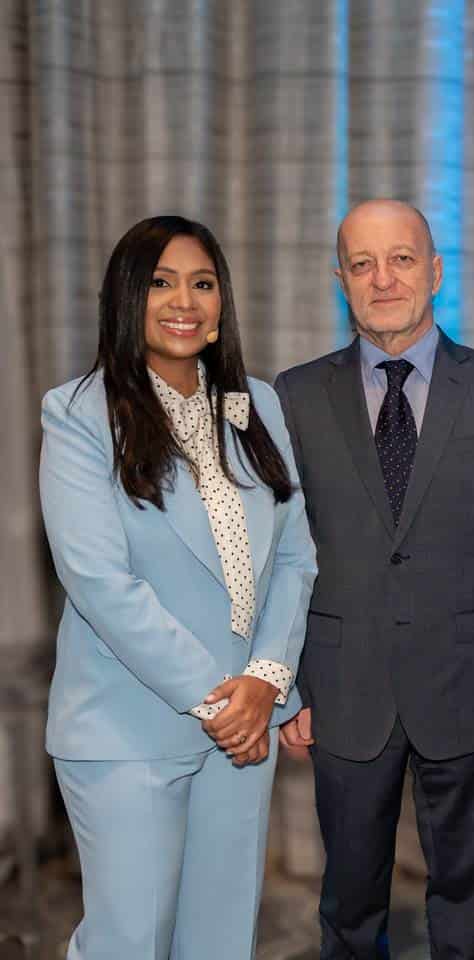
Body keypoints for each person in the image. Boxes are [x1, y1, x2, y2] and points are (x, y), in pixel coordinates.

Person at [274, 199, 474, 960]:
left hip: (466, 682)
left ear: (434, 271)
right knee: (350, 896)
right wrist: (288, 684)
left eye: (401, 259)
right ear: (342, 281)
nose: (383, 278)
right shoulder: (294, 397)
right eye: (362, 264)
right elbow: (279, 556)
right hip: (340, 685)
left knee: (464, 886)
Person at [39, 215, 317, 958]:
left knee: (221, 941)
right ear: (126, 298)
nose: (184, 300)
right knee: (128, 943)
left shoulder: (257, 404)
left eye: (202, 282)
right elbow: (100, 582)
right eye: (160, 282)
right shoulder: (78, 414)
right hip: (128, 727)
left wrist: (265, 679)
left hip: (242, 728)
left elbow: (294, 558)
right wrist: (221, 699)